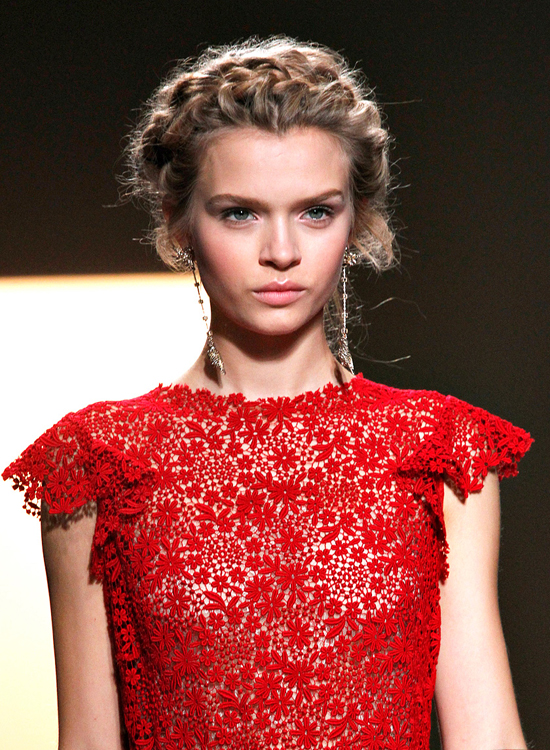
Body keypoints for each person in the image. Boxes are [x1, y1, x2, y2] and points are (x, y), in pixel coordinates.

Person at [3, 37, 533, 750]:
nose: (281, 251)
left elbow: (488, 737)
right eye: (239, 213)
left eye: (315, 211)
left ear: (357, 219)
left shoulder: (440, 450)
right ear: (179, 222)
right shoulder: (99, 462)